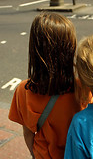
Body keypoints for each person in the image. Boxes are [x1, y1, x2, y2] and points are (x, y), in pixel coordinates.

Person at [8, 12, 82, 159]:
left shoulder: (23, 90)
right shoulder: (83, 88)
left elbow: (28, 134)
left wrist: (34, 154)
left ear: (35, 49)